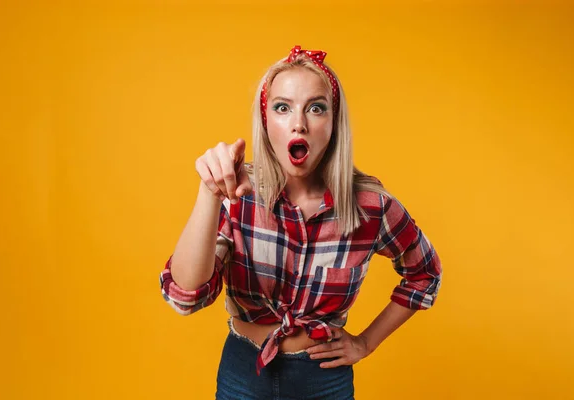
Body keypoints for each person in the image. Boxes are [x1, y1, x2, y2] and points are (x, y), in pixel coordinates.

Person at [159, 45, 442, 399]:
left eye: (316, 108)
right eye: (282, 107)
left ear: (334, 123)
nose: (299, 123)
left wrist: (366, 342)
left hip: (324, 381)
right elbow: (185, 297)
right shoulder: (237, 194)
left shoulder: (371, 207)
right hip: (243, 375)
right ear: (266, 122)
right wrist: (209, 193)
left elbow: (425, 274)